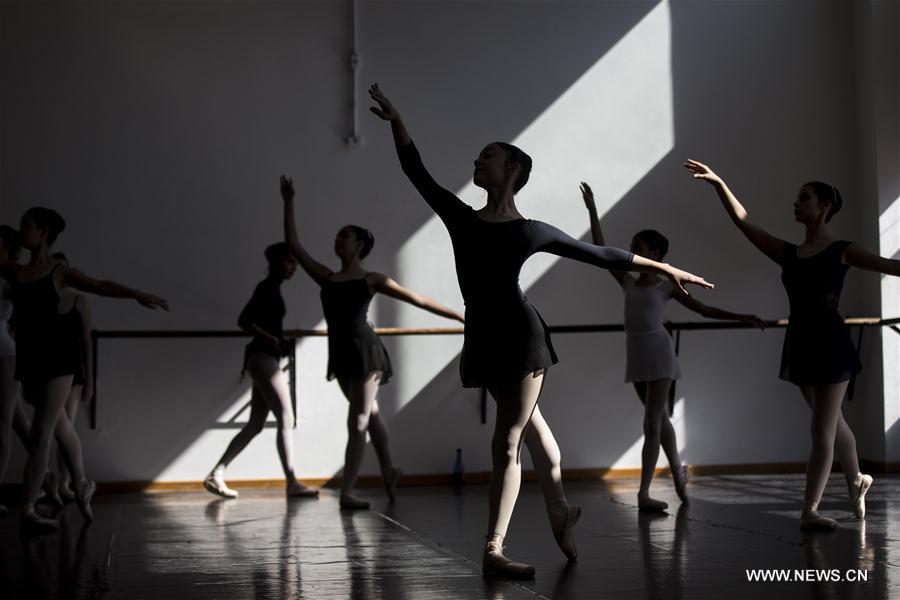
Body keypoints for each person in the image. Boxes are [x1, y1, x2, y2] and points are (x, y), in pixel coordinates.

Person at [370, 82, 712, 578]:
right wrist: (399, 120)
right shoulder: (461, 219)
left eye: (488, 155)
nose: (477, 160)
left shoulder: (530, 230)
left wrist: (666, 269)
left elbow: (600, 254)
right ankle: (559, 510)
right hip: (483, 336)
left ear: (512, 169)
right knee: (531, 428)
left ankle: (493, 549)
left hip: (520, 337)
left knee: (507, 439)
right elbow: (415, 171)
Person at [685, 159, 885, 530]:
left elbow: (890, 266)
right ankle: (857, 479)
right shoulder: (788, 253)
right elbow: (744, 222)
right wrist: (718, 183)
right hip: (802, 341)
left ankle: (810, 510)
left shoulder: (842, 249)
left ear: (824, 206)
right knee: (831, 421)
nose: (796, 203)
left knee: (822, 430)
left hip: (831, 342)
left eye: (804, 198)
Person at [281, 176, 465, 509]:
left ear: (360, 245)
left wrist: (461, 316)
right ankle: (389, 468)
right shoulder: (327, 277)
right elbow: (294, 245)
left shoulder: (372, 279)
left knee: (358, 422)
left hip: (367, 353)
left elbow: (417, 299)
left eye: (345, 236)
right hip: (342, 355)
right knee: (372, 415)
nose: (338, 239)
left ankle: (347, 491)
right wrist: (289, 200)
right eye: (337, 236)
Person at [580, 181, 763, 512]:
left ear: (654, 254)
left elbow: (704, 309)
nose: (631, 251)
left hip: (660, 353)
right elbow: (601, 251)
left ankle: (644, 493)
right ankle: (679, 470)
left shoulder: (666, 287)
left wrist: (740, 317)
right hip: (637, 353)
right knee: (660, 419)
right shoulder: (628, 281)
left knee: (651, 424)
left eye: (637, 247)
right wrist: (593, 209)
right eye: (631, 247)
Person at [0, 207, 168, 529]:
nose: (21, 232)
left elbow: (100, 285)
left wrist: (136, 294)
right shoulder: (14, 271)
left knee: (41, 435)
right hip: (30, 360)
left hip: (59, 360)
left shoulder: (60, 272)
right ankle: (81, 482)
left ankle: (29, 510)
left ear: (43, 232)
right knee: (60, 426)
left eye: (26, 226)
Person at [204, 243, 319, 500]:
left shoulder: (272, 288)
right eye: (289, 262)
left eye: (295, 263)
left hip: (264, 359)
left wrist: (275, 340)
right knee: (286, 418)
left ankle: (216, 474)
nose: (294, 267)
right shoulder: (266, 288)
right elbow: (244, 321)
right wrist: (271, 339)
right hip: (263, 358)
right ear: (275, 262)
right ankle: (292, 482)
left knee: (256, 424)